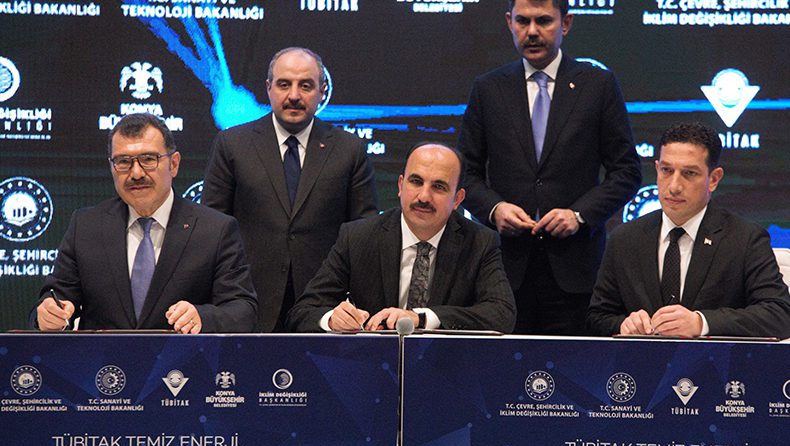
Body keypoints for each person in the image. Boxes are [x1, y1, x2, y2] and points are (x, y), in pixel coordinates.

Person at [457, 0, 641, 335]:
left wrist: (579, 215)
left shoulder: (597, 85)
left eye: (543, 21)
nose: (532, 32)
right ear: (509, 22)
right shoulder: (488, 88)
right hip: (503, 272)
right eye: (522, 21)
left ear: (566, 23)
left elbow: (627, 172)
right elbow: (465, 173)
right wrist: (495, 209)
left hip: (577, 271)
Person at [203, 47, 378, 332]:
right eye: (284, 84)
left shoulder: (349, 150)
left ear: (322, 91)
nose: (294, 95)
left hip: (325, 310)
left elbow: (364, 234)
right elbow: (213, 230)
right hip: (247, 305)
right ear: (268, 88)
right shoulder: (232, 145)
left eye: (305, 86)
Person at [32, 113, 257, 332]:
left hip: (183, 357)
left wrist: (202, 317)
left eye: (149, 159)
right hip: (104, 358)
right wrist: (49, 315)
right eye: (123, 162)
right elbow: (55, 299)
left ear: (174, 164)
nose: (136, 173)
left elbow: (243, 310)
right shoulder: (86, 227)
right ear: (111, 167)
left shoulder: (215, 230)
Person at [586, 122, 790, 338]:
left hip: (714, 359)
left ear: (714, 179)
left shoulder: (745, 239)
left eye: (689, 173)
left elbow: (780, 314)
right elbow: (597, 318)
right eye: (666, 170)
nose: (674, 186)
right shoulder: (624, 239)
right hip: (641, 359)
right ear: (657, 169)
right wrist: (624, 325)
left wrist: (701, 323)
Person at [286, 143, 516, 333]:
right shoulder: (357, 237)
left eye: (438, 187)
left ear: (457, 199)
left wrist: (422, 318)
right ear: (400, 185)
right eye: (416, 182)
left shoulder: (480, 242)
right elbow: (303, 312)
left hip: (446, 366)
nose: (423, 196)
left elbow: (501, 314)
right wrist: (331, 319)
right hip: (370, 365)